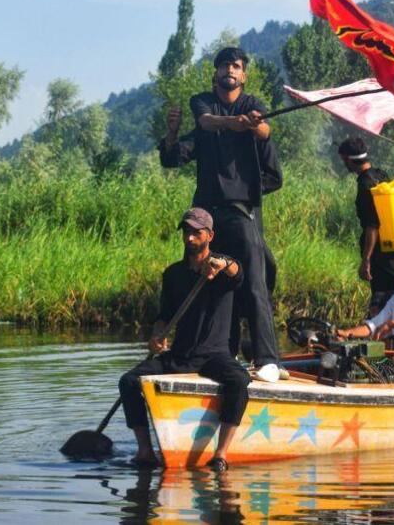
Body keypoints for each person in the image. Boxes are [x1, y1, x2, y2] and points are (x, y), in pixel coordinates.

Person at [158, 46, 281, 380]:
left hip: (242, 211)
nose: (230, 69)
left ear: (244, 75)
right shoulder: (203, 103)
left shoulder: (253, 105)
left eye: (237, 65)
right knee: (210, 281)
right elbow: (205, 123)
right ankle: (217, 354)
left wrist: (254, 125)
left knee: (254, 283)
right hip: (208, 217)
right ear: (215, 73)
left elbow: (265, 131)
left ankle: (268, 360)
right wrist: (233, 124)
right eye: (225, 64)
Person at [118, 208, 251, 471]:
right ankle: (145, 451)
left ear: (210, 235)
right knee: (129, 381)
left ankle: (221, 453)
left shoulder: (221, 270)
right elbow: (164, 317)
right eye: (187, 232)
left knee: (239, 381)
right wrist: (157, 336)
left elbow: (238, 272)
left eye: (196, 233)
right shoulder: (173, 274)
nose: (190, 238)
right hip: (180, 354)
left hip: (214, 355)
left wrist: (222, 263)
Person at [337, 136, 394, 315]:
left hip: (380, 256)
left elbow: (372, 226)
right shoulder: (381, 175)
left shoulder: (366, 185)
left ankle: (382, 338)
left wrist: (366, 260)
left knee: (381, 303)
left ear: (349, 159)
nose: (344, 164)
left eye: (343, 160)